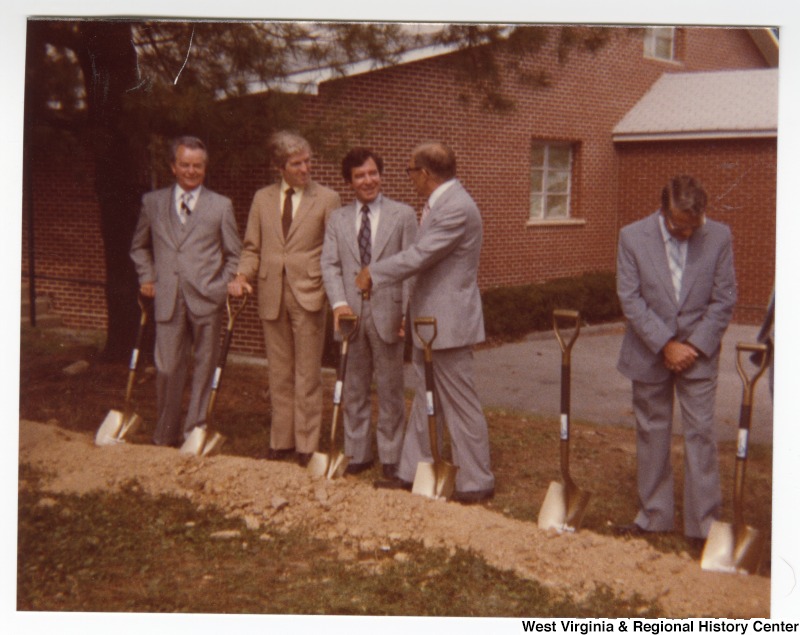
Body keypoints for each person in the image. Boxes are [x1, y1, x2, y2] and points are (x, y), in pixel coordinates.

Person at [355, 142, 495, 503]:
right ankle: (412, 471)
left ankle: (476, 480)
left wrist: (375, 272)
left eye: (410, 171)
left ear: (426, 173)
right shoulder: (443, 204)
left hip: (448, 323)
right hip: (430, 320)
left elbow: (420, 256)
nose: (410, 179)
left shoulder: (457, 209)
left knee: (460, 401)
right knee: (425, 398)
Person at [615, 174, 737, 541]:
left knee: (700, 434)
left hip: (698, 354)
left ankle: (704, 526)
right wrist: (666, 343)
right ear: (663, 209)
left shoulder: (719, 236)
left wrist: (694, 346)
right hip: (649, 351)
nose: (686, 234)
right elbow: (630, 299)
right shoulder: (632, 237)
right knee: (652, 433)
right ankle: (655, 515)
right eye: (678, 227)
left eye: (692, 227)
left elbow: (724, 299)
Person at [230, 131, 341, 466]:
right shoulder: (262, 199)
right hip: (271, 293)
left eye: (308, 161)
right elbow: (252, 248)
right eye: (296, 164)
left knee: (308, 372)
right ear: (279, 167)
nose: (305, 168)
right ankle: (281, 441)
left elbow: (333, 251)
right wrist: (241, 276)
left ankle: (307, 445)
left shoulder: (326, 198)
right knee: (279, 372)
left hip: (309, 293)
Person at [130, 135, 242, 447]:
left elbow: (235, 253)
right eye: (185, 165)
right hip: (167, 298)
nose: (191, 171)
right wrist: (147, 276)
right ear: (173, 166)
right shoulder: (152, 203)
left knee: (205, 367)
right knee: (166, 367)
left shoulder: (221, 206)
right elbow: (139, 247)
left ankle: (194, 431)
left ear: (205, 168)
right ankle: (165, 433)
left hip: (207, 299)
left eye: (197, 166)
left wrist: (220, 286)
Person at [321, 147, 418, 478]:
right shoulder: (338, 219)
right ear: (349, 181)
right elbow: (330, 265)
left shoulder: (402, 216)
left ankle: (391, 455)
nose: (368, 180)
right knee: (354, 386)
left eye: (373, 172)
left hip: (388, 312)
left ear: (381, 174)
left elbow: (411, 267)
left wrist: (407, 311)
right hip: (350, 316)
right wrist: (338, 304)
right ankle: (357, 451)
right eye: (360, 175)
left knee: (391, 387)